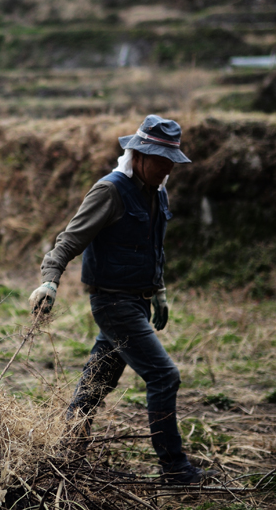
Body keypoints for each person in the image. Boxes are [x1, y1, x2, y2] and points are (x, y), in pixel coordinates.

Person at [28, 115, 202, 486]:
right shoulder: (109, 191)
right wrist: (49, 282)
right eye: (159, 158)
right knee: (164, 375)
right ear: (137, 154)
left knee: (97, 383)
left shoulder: (158, 191)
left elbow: (153, 247)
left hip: (137, 301)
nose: (167, 167)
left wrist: (159, 290)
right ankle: (174, 468)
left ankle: (64, 451)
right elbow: (70, 239)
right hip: (113, 303)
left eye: (172, 160)